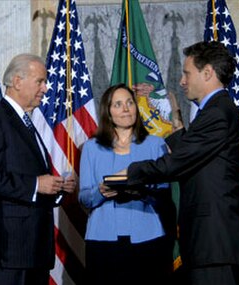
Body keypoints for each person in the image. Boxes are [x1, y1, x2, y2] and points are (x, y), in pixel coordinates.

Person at [126, 41, 239, 285]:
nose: (182, 81)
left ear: (207, 73)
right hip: (210, 246)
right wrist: (176, 123)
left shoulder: (217, 112)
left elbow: (176, 163)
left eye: (187, 73)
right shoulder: (216, 111)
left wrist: (130, 173)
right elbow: (196, 159)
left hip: (215, 244)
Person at [0, 53, 76, 285]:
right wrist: (37, 184)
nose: (45, 88)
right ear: (17, 81)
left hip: (34, 250)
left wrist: (56, 187)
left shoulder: (26, 123)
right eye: (40, 81)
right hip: (8, 251)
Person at [78, 83, 175, 285]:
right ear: (108, 111)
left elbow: (165, 192)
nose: (126, 109)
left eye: (130, 103)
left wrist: (141, 191)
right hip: (103, 241)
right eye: (119, 104)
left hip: (148, 237)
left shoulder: (155, 144)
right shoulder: (91, 148)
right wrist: (101, 191)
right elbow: (84, 197)